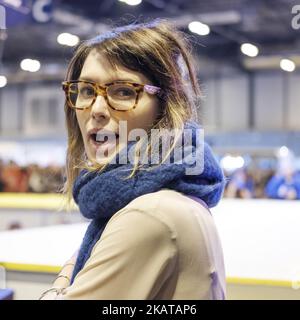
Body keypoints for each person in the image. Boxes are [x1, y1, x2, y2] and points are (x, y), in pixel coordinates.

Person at [39, 18, 226, 300]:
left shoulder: (149, 214)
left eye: (124, 91)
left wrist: (64, 278)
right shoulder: (163, 199)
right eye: (87, 90)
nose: (97, 109)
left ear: (166, 107)